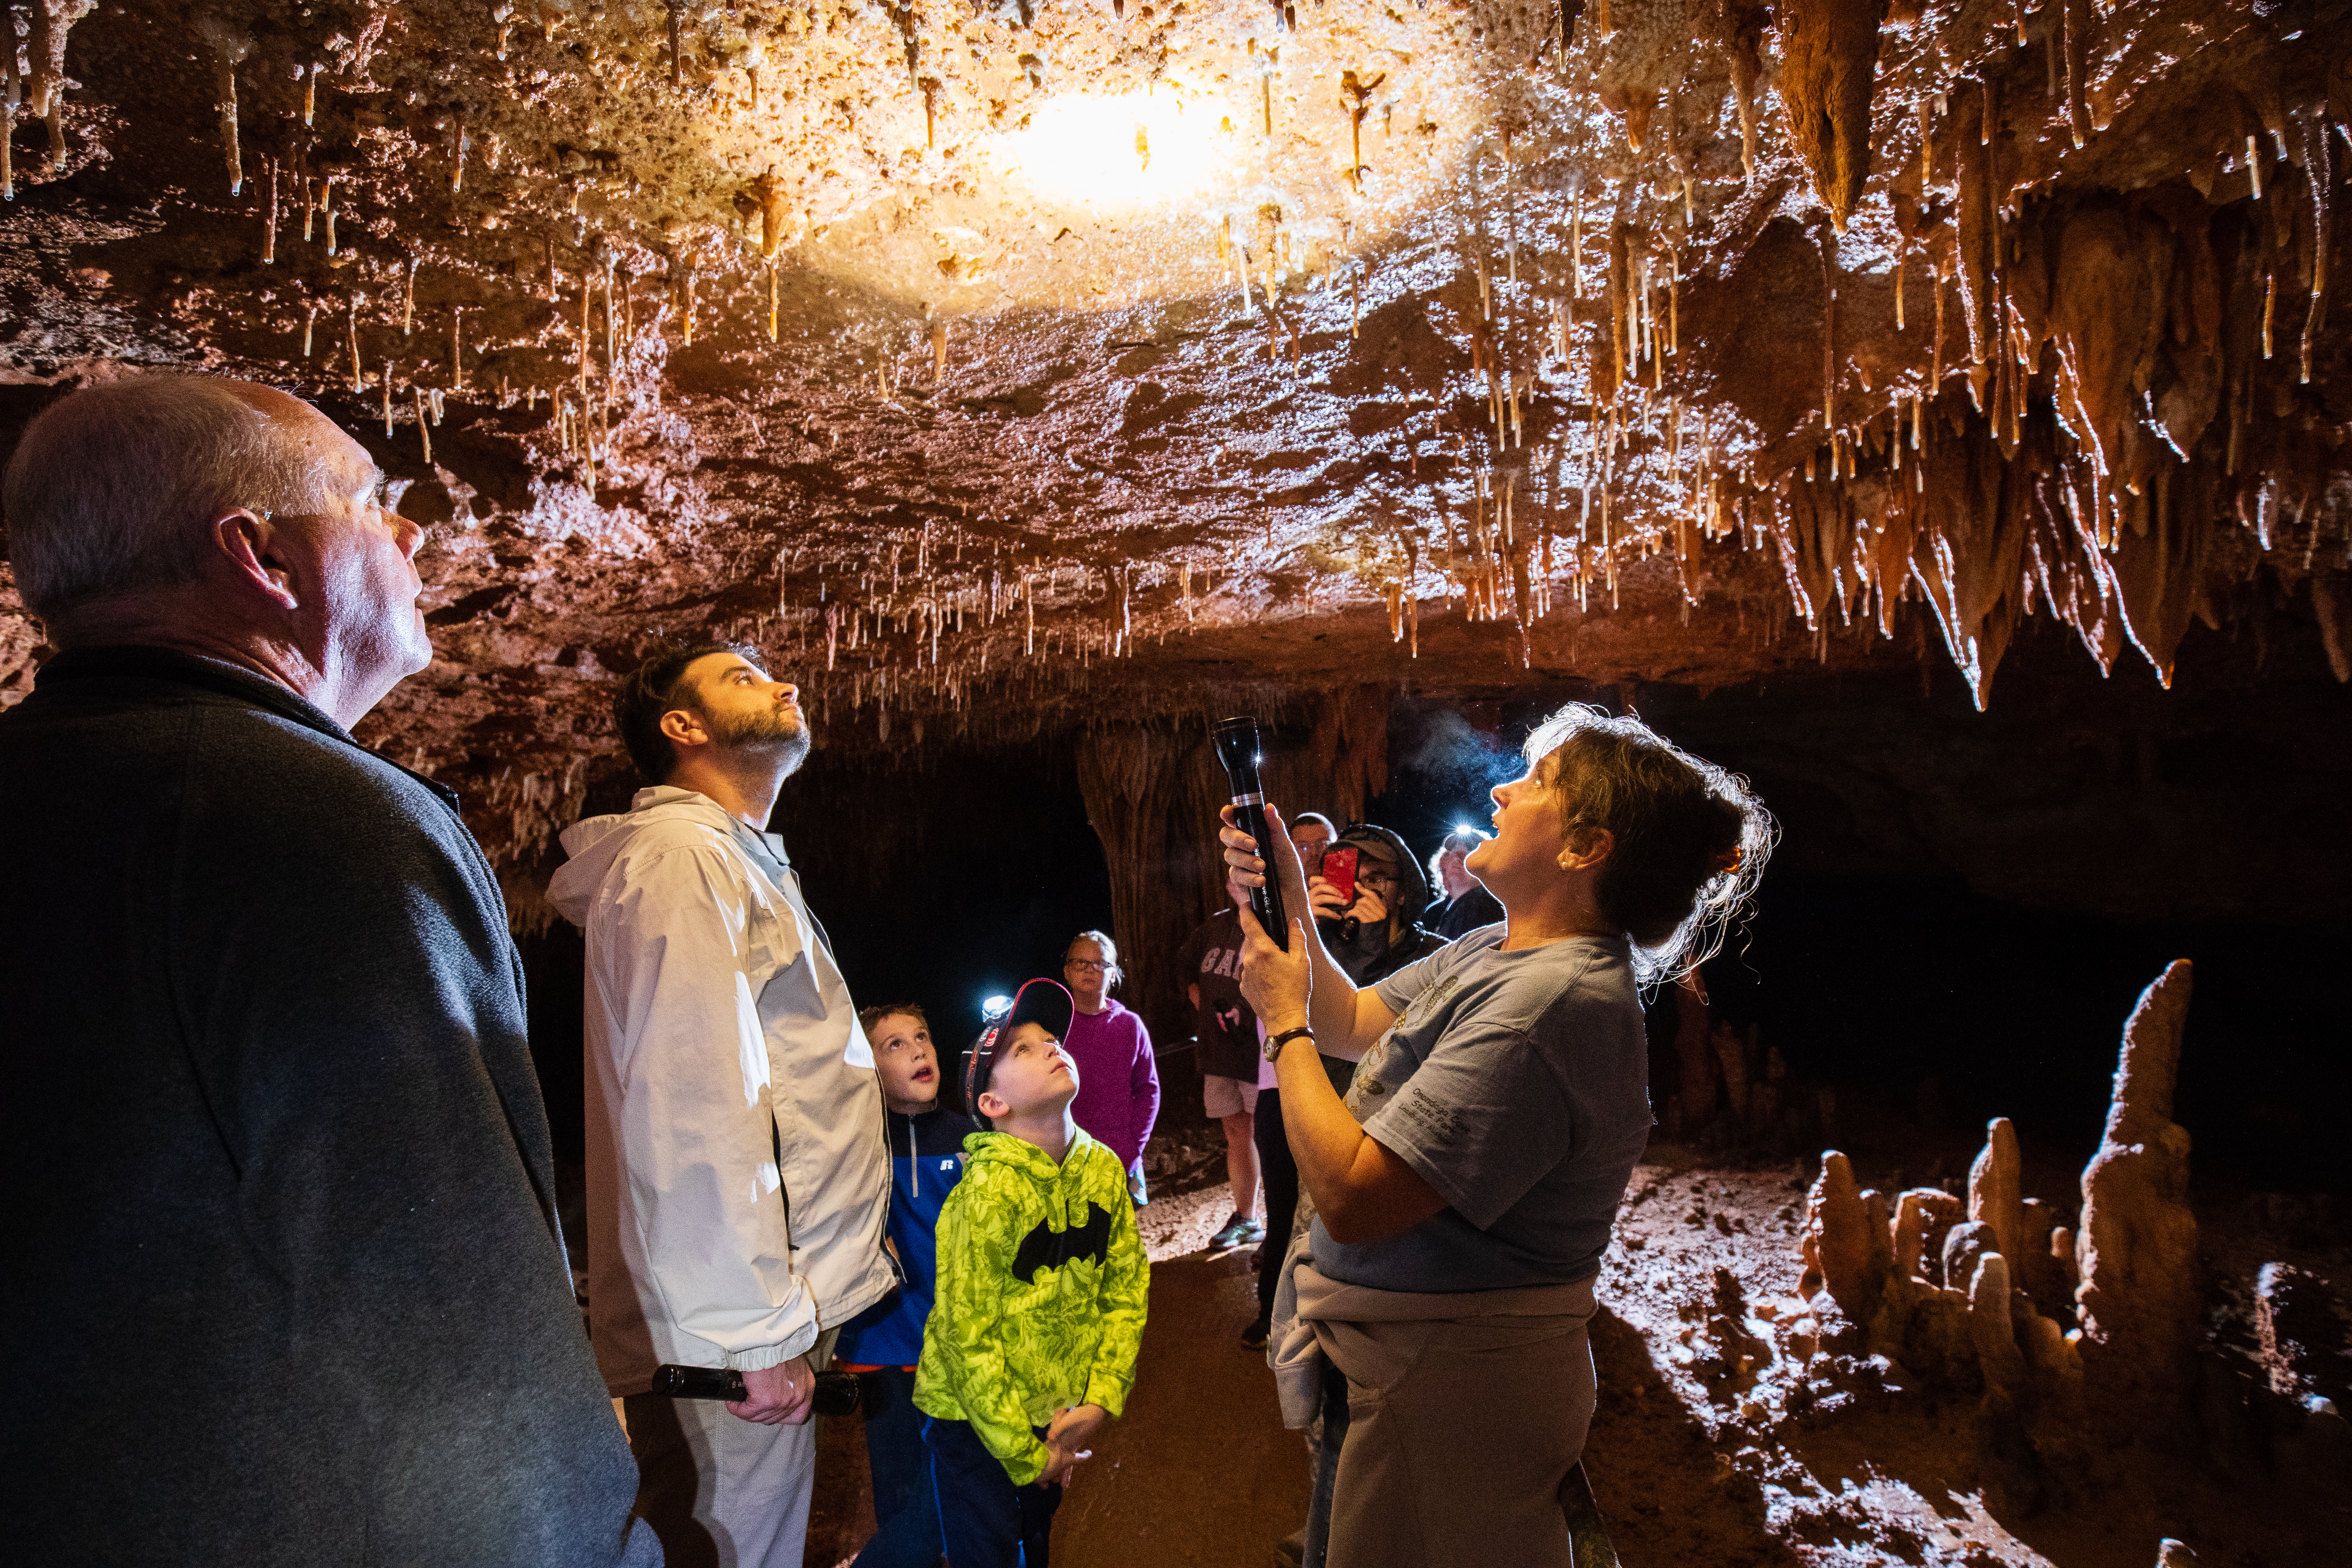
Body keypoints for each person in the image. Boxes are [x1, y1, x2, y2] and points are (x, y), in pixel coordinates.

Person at [0, 374, 657, 1564]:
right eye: (368, 499)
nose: (411, 536)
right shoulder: (321, 827)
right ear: (259, 555)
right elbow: (449, 1301)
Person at [1223, 703, 1773, 1568]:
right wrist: (1292, 891)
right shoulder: (1495, 948)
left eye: (1538, 780)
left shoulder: (1549, 1006)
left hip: (1452, 1384)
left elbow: (1356, 1196)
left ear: (1586, 847)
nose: (1504, 788)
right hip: (1406, 1363)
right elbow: (1353, 1016)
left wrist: (1281, 1022)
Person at [547, 639, 894, 1568]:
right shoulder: (679, 860)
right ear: (683, 726)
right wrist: (752, 1335)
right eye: (743, 676)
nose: (784, 682)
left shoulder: (729, 860)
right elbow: (694, 1098)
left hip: (742, 1311)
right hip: (722, 1336)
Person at [916, 979, 1151, 1568]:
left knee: (1037, 1546)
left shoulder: (1100, 1168)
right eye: (1023, 1050)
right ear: (993, 1105)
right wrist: (1026, 1456)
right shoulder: (985, 1195)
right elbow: (967, 1337)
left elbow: (1126, 1289)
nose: (1052, 1046)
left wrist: (1100, 1398)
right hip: (973, 1423)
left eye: (1051, 1038)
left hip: (1056, 1413)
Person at [838, 1004, 975, 1568]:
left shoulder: (973, 1141)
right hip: (882, 1347)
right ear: (868, 1068)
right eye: (895, 1045)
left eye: (922, 1037)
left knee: (952, 1489)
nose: (919, 1050)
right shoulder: (856, 1147)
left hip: (955, 1348)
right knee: (898, 1491)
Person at [1176, 867, 1277, 1259]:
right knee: (1237, 1133)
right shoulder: (1215, 927)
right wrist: (1194, 989)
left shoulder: (1272, 926)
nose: (1242, 887)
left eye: (1249, 880)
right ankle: (1247, 1216)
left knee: (1270, 1137)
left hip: (1260, 1058)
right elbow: (1186, 959)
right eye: (1236, 881)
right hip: (1219, 1052)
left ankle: (1279, 1222)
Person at [1059, 930, 1161, 1207]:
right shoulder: (1052, 1028)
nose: (1090, 969)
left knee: (1120, 1240)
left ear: (1114, 974)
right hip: (1064, 1155)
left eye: (1100, 964)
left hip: (1119, 1154)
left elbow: (1148, 1090)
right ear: (1067, 971)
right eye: (1080, 962)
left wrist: (1132, 1148)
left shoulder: (1130, 1025)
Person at [1309, 822, 1449, 987]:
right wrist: (1309, 932)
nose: (1358, 891)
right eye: (1348, 880)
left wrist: (1372, 944)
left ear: (1403, 893)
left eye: (1374, 880)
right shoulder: (1324, 945)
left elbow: (1363, 1010)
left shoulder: (1437, 957)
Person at [1428, 826, 1506, 939]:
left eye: (1471, 851)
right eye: (1452, 853)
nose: (1458, 858)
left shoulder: (1484, 905)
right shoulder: (1435, 912)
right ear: (1443, 864)